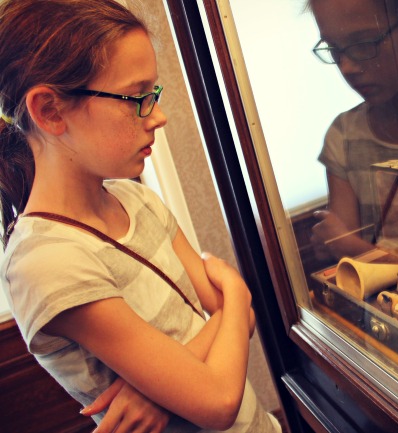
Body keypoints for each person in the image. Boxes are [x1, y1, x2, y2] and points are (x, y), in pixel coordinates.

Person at [0, 1, 280, 432]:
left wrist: (159, 389)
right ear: (50, 111)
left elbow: (240, 324)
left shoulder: (137, 200)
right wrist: (239, 291)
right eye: (137, 98)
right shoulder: (46, 261)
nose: (159, 116)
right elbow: (219, 399)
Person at [308, 0, 398, 260]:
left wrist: (353, 247)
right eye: (334, 50)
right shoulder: (344, 135)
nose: (347, 67)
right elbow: (341, 247)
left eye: (365, 43)